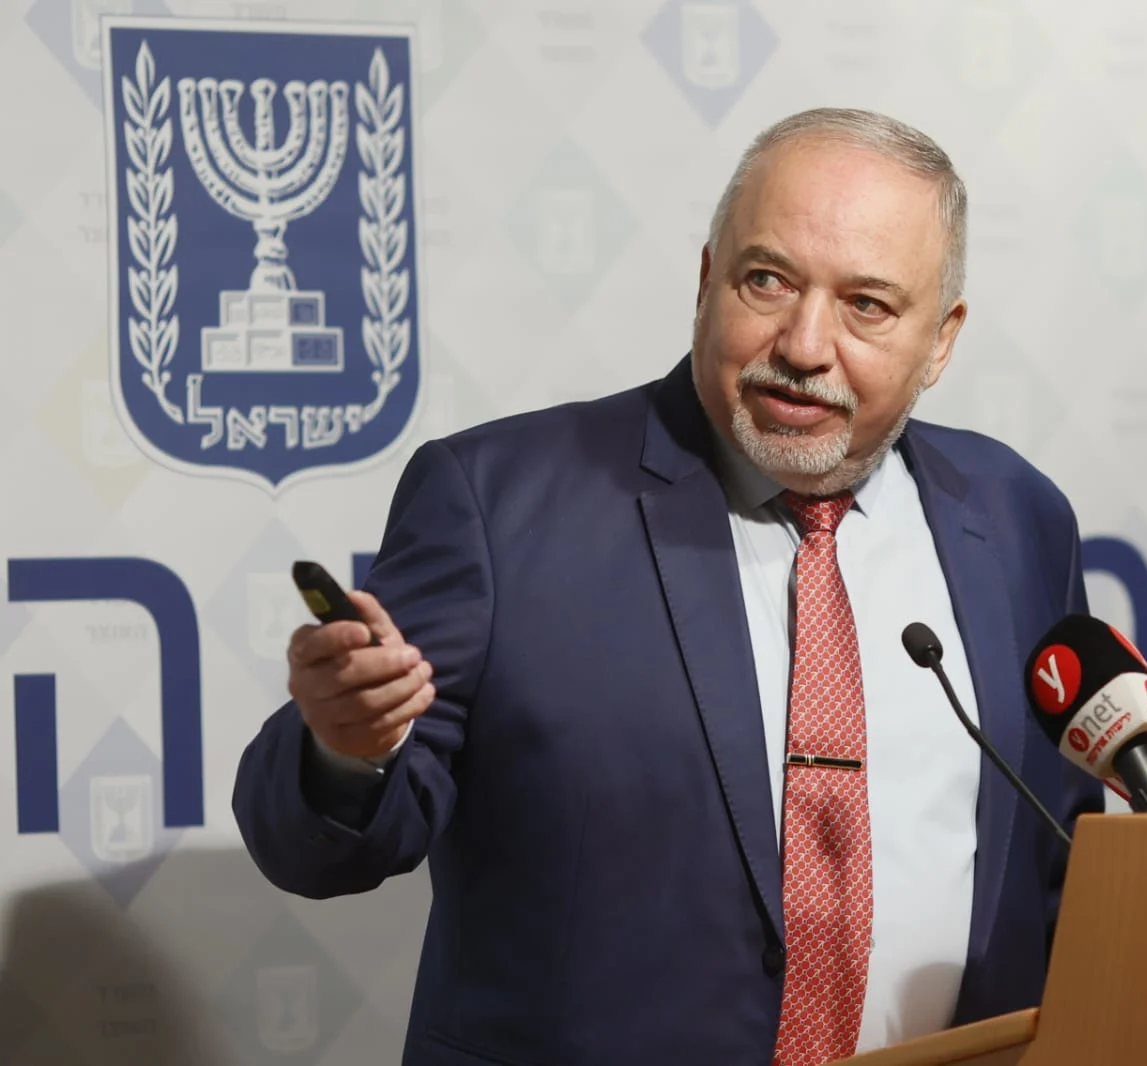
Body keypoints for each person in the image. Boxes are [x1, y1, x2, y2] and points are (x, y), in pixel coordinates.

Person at [233, 107, 1102, 1066]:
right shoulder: (497, 504)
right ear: (704, 279)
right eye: (767, 281)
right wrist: (347, 751)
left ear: (940, 340)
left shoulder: (1016, 518)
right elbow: (318, 850)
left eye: (866, 305)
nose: (804, 345)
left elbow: (1062, 864)